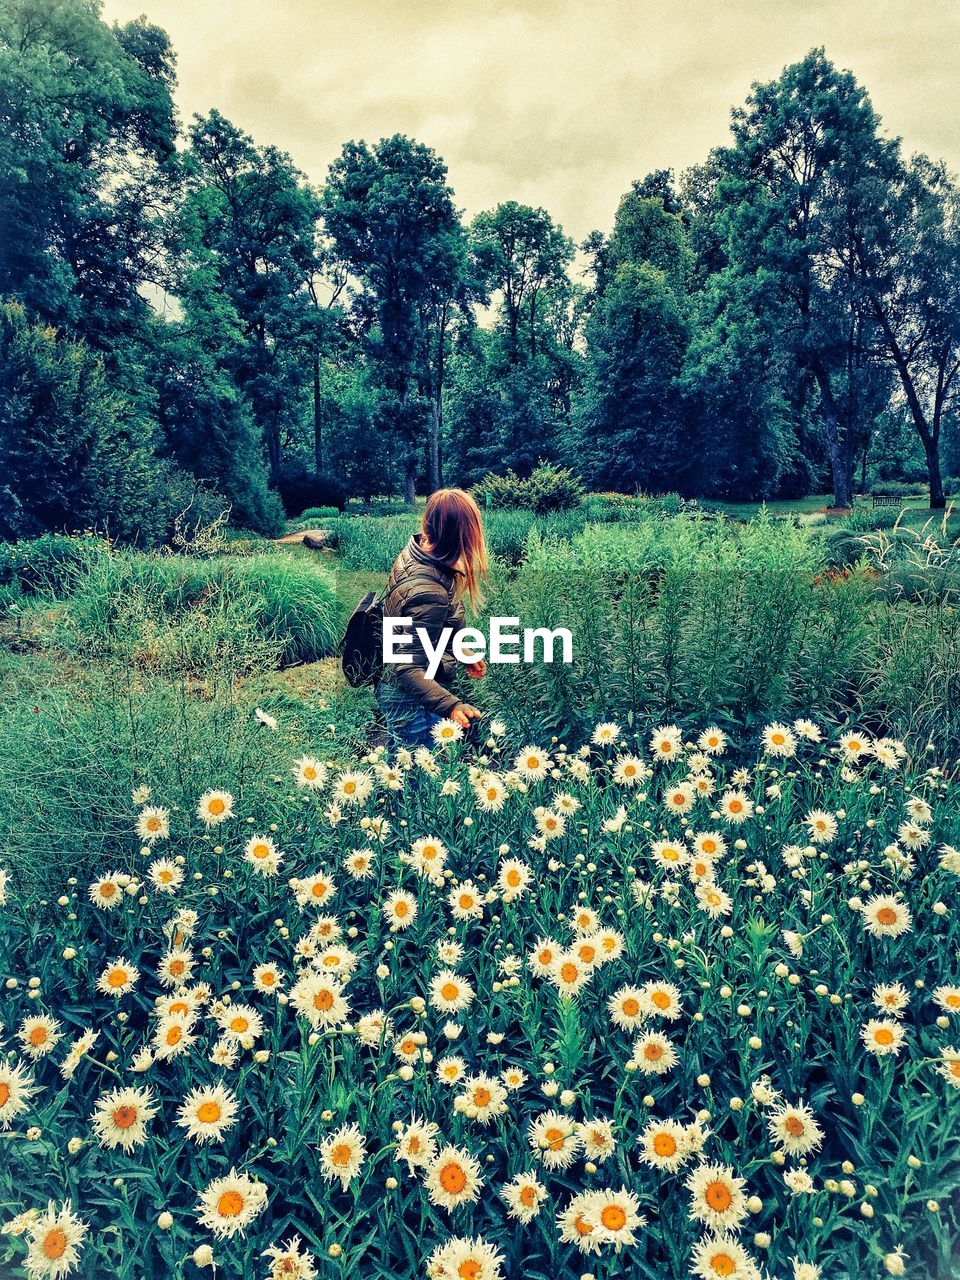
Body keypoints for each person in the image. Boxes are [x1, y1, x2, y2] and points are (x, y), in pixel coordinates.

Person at [377, 488, 488, 751]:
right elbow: (407, 667)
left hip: (401, 688)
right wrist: (452, 705)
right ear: (464, 537)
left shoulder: (419, 552)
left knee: (400, 771)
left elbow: (425, 631)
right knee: (417, 777)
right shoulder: (429, 592)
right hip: (411, 696)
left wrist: (462, 651)